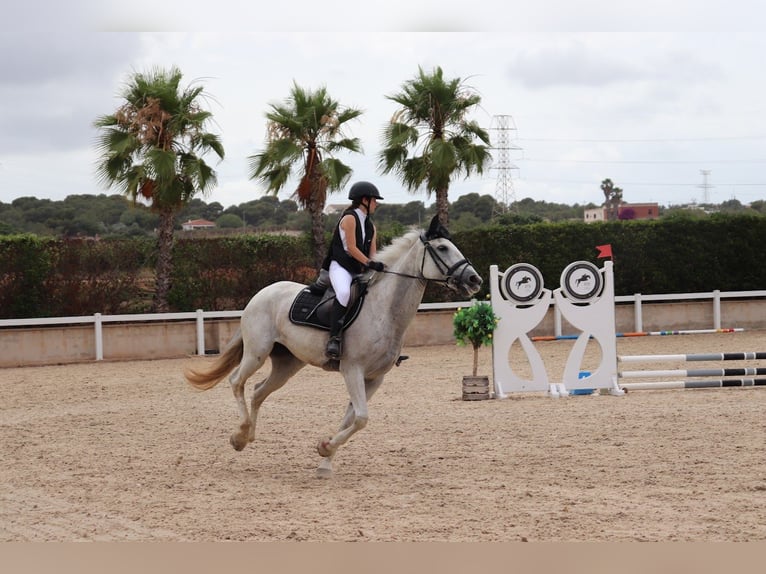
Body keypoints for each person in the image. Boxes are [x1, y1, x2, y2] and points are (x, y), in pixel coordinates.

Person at [323, 181, 386, 359]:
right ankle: (334, 338)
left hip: (359, 269)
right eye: (374, 200)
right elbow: (350, 248)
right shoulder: (349, 218)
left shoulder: (371, 226)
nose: (376, 204)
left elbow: (373, 254)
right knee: (343, 293)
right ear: (364, 200)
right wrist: (369, 263)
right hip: (341, 267)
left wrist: (379, 265)